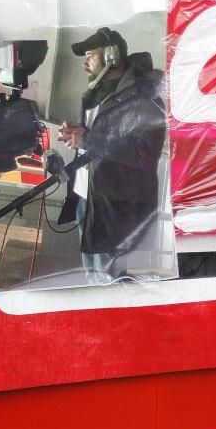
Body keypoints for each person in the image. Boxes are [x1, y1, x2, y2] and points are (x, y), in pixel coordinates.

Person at [58, 28, 168, 284]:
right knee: (94, 278)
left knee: (113, 285)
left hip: (119, 211)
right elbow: (101, 141)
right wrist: (77, 135)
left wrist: (87, 139)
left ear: (111, 56)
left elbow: (144, 154)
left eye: (89, 55)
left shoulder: (144, 99)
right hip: (90, 201)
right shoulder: (97, 96)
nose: (84, 63)